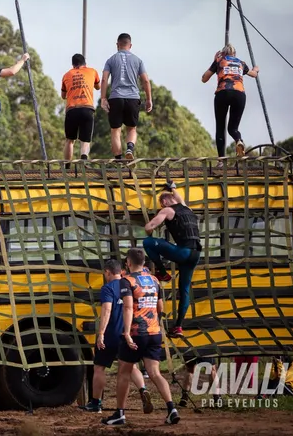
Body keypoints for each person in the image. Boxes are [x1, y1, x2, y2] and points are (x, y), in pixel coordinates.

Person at [104, 248, 179, 426]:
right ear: (144, 262)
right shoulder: (154, 280)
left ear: (128, 263)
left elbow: (128, 308)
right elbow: (160, 307)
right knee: (155, 373)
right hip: (154, 333)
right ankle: (172, 409)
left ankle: (120, 413)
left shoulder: (127, 281)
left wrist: (127, 332)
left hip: (137, 333)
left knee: (124, 372)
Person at [82, 259, 153, 414]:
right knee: (131, 366)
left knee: (99, 367)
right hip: (130, 333)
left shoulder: (108, 288)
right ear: (121, 271)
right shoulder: (129, 284)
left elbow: (107, 310)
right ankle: (143, 390)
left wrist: (101, 333)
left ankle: (96, 403)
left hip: (111, 333)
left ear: (108, 272)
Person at [142, 182, 201, 338]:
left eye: (161, 203)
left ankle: (162, 273)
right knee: (185, 290)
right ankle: (178, 327)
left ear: (164, 202)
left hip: (183, 252)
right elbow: (179, 199)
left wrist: (150, 232)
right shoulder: (187, 208)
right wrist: (172, 187)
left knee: (147, 242)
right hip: (195, 254)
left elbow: (150, 226)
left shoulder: (167, 210)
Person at [201, 44, 259, 158]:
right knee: (233, 128)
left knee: (220, 127)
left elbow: (204, 78)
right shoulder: (241, 63)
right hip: (239, 94)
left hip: (223, 93)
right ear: (235, 54)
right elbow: (253, 75)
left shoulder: (219, 61)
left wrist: (214, 62)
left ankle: (221, 160)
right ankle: (238, 140)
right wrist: (256, 69)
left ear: (222, 53)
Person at [101, 33, 152, 160]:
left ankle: (118, 161)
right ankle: (129, 148)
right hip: (133, 98)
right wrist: (149, 99)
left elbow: (104, 79)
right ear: (130, 45)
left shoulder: (110, 60)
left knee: (115, 131)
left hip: (116, 98)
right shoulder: (138, 60)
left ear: (117, 45)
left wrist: (103, 98)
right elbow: (145, 81)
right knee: (131, 129)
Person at [61, 54, 101, 162]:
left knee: (70, 140)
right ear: (85, 63)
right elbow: (98, 87)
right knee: (85, 140)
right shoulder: (92, 71)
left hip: (72, 109)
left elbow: (63, 96)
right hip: (87, 109)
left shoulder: (66, 75)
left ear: (73, 65)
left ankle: (67, 166)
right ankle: (83, 159)